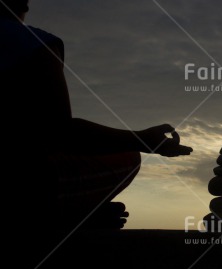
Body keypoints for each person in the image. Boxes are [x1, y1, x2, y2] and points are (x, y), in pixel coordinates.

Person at [0, 0, 193, 230]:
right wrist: (142, 140)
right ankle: (71, 219)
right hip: (20, 188)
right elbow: (62, 133)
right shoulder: (34, 44)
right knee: (129, 157)